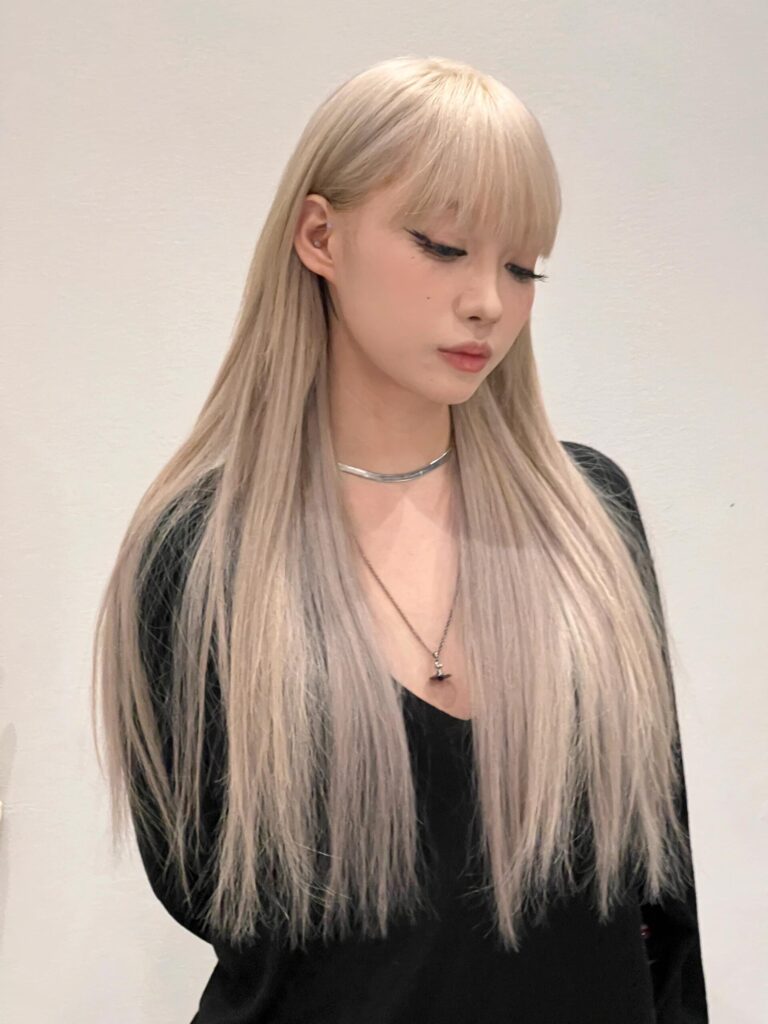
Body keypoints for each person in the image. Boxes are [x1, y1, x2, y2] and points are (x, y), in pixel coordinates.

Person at [92, 55, 708, 1022]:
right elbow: (222, 902)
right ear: (320, 236)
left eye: (522, 267)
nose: (489, 301)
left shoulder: (590, 526)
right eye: (443, 246)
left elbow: (660, 903)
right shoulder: (204, 558)